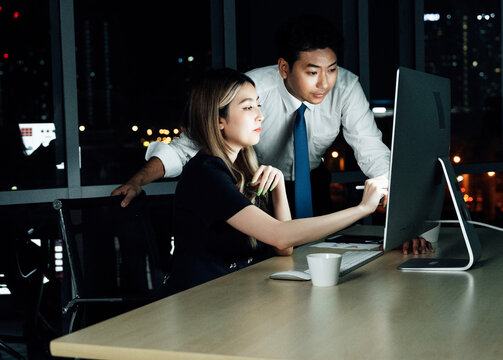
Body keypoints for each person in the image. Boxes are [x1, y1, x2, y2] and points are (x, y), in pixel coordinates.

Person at [112, 14, 433, 255]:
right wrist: (137, 181)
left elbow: (372, 152)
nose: (325, 83)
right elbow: (186, 147)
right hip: (255, 187)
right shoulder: (248, 90)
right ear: (284, 68)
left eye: (332, 69)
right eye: (312, 72)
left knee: (311, 262)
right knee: (268, 259)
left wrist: (406, 226)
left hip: (306, 182)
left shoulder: (346, 87)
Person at [163, 68, 387, 293]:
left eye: (258, 105)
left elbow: (284, 248)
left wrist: (279, 185)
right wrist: (361, 209)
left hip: (234, 292)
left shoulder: (238, 170)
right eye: (248, 107)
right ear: (218, 119)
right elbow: (280, 237)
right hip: (201, 303)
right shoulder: (206, 174)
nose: (260, 115)